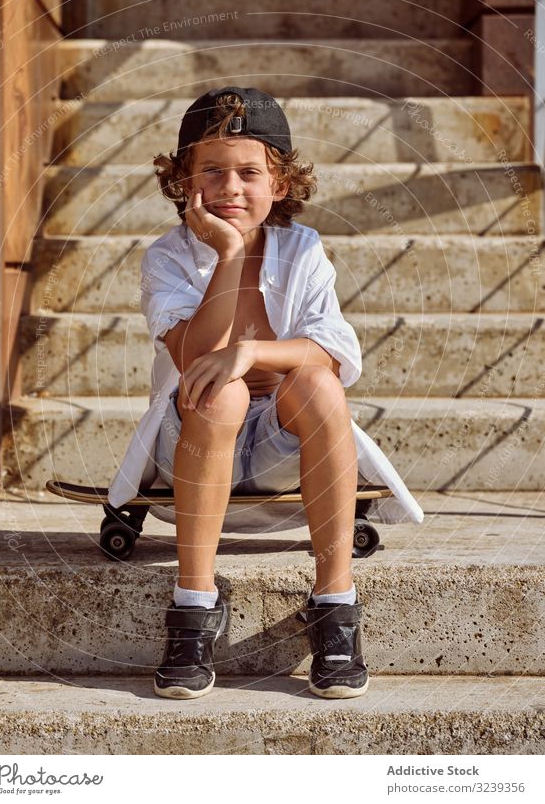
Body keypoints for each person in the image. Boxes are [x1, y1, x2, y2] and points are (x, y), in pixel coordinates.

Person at [107, 86, 423, 700]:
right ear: (183, 181)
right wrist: (226, 256)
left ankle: (334, 602)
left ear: (279, 183)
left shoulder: (301, 249)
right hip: (190, 449)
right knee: (220, 390)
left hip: (282, 450)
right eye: (212, 172)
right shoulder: (167, 259)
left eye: (250, 172)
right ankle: (194, 606)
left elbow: (336, 350)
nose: (230, 188)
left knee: (318, 382)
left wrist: (253, 351)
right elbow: (197, 361)